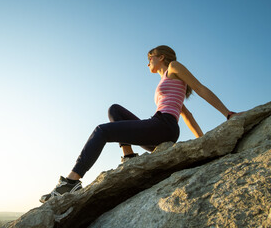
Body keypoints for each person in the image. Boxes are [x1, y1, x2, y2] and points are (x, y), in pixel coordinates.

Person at [40, 45, 240, 203]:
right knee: (115, 109)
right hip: (161, 128)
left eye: (149, 58)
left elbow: (200, 88)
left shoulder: (174, 67)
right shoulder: (166, 81)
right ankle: (129, 157)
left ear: (160, 57)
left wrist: (227, 114)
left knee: (101, 131)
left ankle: (71, 182)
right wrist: (202, 140)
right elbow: (186, 115)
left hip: (163, 126)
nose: (148, 63)